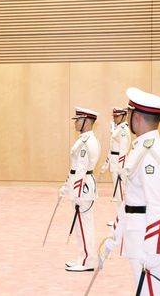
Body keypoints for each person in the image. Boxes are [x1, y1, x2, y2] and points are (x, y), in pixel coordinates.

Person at [104, 88, 160, 296]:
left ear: (136, 117)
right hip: (138, 232)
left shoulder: (150, 153)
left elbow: (155, 204)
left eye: (129, 114)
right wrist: (115, 234)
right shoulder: (141, 148)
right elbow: (131, 200)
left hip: (147, 237)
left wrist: (152, 248)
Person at [60, 107, 101, 272]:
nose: (75, 123)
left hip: (82, 188)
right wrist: (65, 186)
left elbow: (81, 170)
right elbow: (74, 168)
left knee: (84, 225)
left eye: (78, 120)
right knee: (83, 224)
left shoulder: (86, 142)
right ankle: (82, 257)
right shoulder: (86, 139)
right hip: (82, 185)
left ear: (86, 121)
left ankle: (86, 261)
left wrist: (74, 193)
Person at [100, 107, 131, 226]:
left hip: (119, 166)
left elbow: (123, 151)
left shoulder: (123, 130)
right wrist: (106, 164)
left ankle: (122, 221)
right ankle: (120, 218)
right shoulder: (118, 129)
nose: (115, 118)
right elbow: (112, 150)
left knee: (121, 195)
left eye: (117, 116)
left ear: (124, 116)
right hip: (115, 163)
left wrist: (120, 169)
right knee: (118, 194)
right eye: (114, 116)